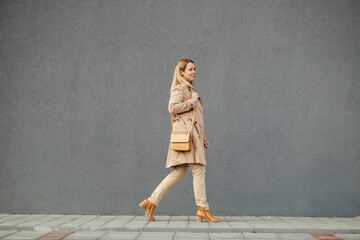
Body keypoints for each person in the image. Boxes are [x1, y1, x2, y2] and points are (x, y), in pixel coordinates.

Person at [139, 59, 220, 223]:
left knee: (179, 172)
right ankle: (203, 209)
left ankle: (151, 201)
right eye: (190, 69)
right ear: (181, 72)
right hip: (187, 139)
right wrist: (192, 101)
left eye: (195, 69)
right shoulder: (180, 88)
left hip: (191, 138)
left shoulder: (189, 89)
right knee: (198, 170)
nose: (194, 72)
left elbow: (195, 119)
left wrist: (203, 137)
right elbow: (172, 107)